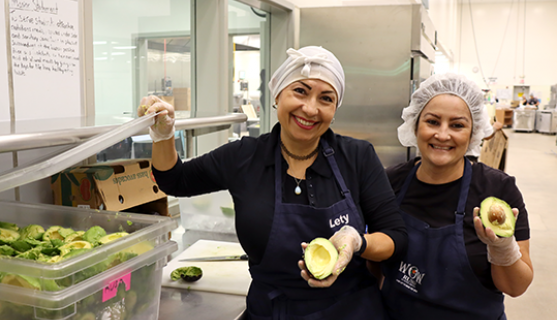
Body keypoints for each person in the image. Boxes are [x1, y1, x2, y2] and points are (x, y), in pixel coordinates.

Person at [139, 46, 407, 319]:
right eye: (300, 91)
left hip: (351, 309)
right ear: (278, 94)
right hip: (273, 311)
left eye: (326, 98)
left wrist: (358, 241)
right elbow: (175, 180)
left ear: (334, 109)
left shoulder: (357, 156)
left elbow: (395, 238)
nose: (310, 108)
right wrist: (164, 136)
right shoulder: (244, 156)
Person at [381, 73, 533, 319]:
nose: (442, 135)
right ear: (415, 124)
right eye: (432, 121)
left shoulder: (498, 190)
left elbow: (516, 287)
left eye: (457, 125)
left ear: (473, 133)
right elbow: (375, 269)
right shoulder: (390, 182)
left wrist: (503, 249)